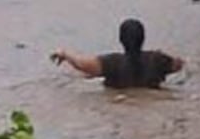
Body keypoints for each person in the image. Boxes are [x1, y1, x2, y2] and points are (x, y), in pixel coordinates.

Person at [50, 19, 185, 89]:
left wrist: (65, 54)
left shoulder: (111, 63)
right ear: (143, 38)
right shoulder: (158, 60)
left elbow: (82, 65)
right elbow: (179, 65)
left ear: (120, 39)